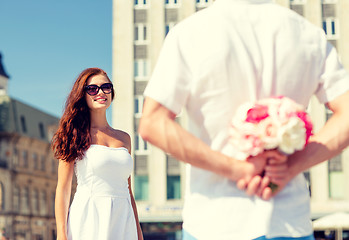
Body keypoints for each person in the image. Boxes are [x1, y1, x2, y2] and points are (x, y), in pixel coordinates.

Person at [138, 0, 349, 239]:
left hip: (214, 222)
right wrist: (290, 167)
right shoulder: (309, 34)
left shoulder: (190, 32)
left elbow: (153, 123)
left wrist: (239, 169)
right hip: (289, 220)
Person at [52, 68, 143, 240]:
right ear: (83, 95)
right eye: (92, 89)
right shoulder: (74, 134)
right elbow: (63, 189)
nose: (100, 92)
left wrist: (138, 232)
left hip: (123, 219)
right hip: (90, 218)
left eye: (105, 87)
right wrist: (61, 235)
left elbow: (128, 192)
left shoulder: (125, 138)